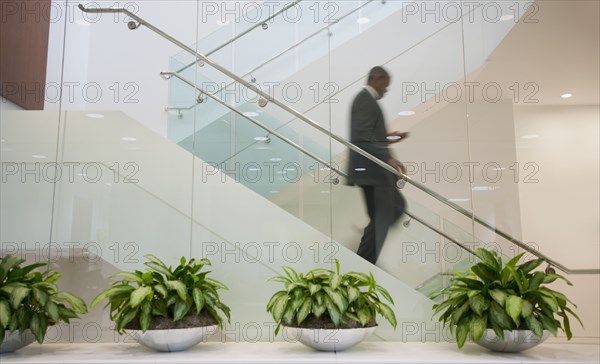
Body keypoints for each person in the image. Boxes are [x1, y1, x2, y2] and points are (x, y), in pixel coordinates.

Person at [346, 66, 408, 265]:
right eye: (385, 85)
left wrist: (388, 137)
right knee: (387, 213)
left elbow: (368, 134)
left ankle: (365, 256)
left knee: (392, 210)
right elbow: (362, 136)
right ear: (376, 78)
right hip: (372, 172)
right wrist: (387, 157)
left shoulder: (367, 101)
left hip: (373, 171)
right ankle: (364, 262)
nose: (386, 90)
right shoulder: (364, 100)